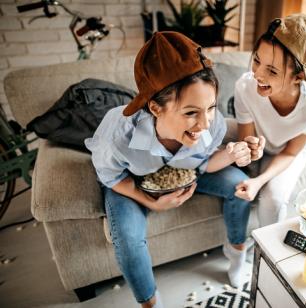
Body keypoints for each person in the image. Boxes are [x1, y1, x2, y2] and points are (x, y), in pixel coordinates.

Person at [85, 31, 253, 308]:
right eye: (190, 113)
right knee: (126, 236)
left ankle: (236, 255)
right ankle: (151, 303)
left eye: (210, 107)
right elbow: (111, 176)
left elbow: (204, 163)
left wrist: (233, 154)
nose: (205, 123)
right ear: (155, 108)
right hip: (132, 182)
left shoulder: (213, 123)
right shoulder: (118, 135)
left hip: (188, 173)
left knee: (241, 185)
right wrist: (152, 202)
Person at [234, 14, 306, 227]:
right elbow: (246, 138)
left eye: (272, 70)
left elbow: (290, 152)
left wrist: (259, 181)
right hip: (259, 137)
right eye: (257, 60)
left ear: (299, 77)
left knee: (273, 200)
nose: (257, 74)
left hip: (288, 151)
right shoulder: (244, 86)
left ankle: (265, 253)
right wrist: (250, 149)